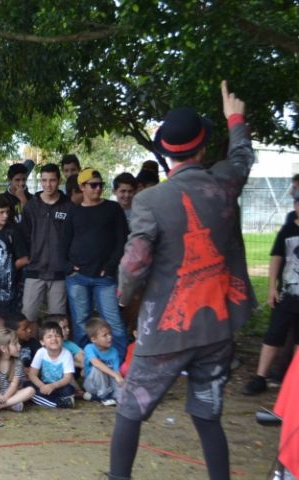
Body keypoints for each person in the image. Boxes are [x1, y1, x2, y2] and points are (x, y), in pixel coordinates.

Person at [109, 82, 254, 480]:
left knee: (130, 409)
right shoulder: (224, 183)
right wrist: (235, 119)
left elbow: (134, 263)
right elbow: (242, 156)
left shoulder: (150, 200)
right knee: (208, 414)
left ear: (166, 153)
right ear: (202, 149)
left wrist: (124, 296)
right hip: (217, 325)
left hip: (165, 331)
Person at [62, 167, 130, 355]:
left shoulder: (113, 208)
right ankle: (84, 361)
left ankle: (120, 362)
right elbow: (64, 242)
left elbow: (122, 240)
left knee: (113, 320)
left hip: (104, 277)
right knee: (80, 321)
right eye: (93, 185)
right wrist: (68, 267)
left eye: (100, 185)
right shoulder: (74, 211)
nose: (98, 188)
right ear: (82, 187)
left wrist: (110, 266)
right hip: (78, 276)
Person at [244, 195, 299, 395]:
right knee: (273, 335)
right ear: (295, 206)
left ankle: (294, 384)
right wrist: (271, 288)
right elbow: (276, 258)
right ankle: (260, 378)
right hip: (287, 295)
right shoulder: (287, 230)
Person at [20, 163, 70, 325]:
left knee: (58, 321)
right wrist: (28, 258)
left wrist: (68, 263)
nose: (48, 184)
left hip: (59, 272)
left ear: (59, 180)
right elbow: (24, 236)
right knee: (27, 318)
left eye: (52, 180)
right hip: (35, 269)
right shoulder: (31, 206)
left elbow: (73, 237)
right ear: (40, 181)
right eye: (44, 180)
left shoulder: (68, 206)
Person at [0, 327, 34, 413]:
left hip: (10, 394)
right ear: (3, 348)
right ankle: (10, 404)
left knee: (31, 391)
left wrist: (4, 398)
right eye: (15, 344)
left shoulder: (18, 363)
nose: (19, 346)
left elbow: (14, 385)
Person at [28, 321, 76, 409]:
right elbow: (32, 374)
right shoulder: (40, 352)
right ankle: (59, 403)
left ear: (62, 339)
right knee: (27, 386)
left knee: (69, 390)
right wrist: (42, 386)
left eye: (57, 336)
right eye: (49, 337)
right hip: (43, 384)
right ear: (42, 342)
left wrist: (53, 386)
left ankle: (46, 399)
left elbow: (67, 378)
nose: (54, 339)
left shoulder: (67, 354)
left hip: (59, 386)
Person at [82, 318, 123, 406]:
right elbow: (96, 363)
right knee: (98, 368)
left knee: (122, 394)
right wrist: (116, 375)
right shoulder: (89, 348)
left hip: (108, 385)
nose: (109, 337)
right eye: (105, 335)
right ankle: (104, 396)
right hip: (92, 385)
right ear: (94, 339)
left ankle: (96, 397)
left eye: (110, 334)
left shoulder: (114, 351)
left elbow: (116, 372)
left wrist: (120, 380)